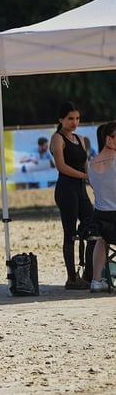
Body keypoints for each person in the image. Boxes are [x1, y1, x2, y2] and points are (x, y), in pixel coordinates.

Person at [50, 101, 94, 289]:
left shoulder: (81, 139)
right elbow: (62, 167)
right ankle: (71, 277)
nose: (74, 122)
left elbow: (85, 163)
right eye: (70, 118)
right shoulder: (57, 139)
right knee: (70, 232)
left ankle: (88, 274)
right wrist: (85, 176)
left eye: (77, 118)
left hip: (81, 189)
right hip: (66, 189)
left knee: (93, 227)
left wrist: (92, 179)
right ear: (61, 119)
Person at [86, 121, 116, 292]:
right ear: (109, 140)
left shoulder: (91, 164)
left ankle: (96, 280)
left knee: (101, 241)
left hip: (99, 219)